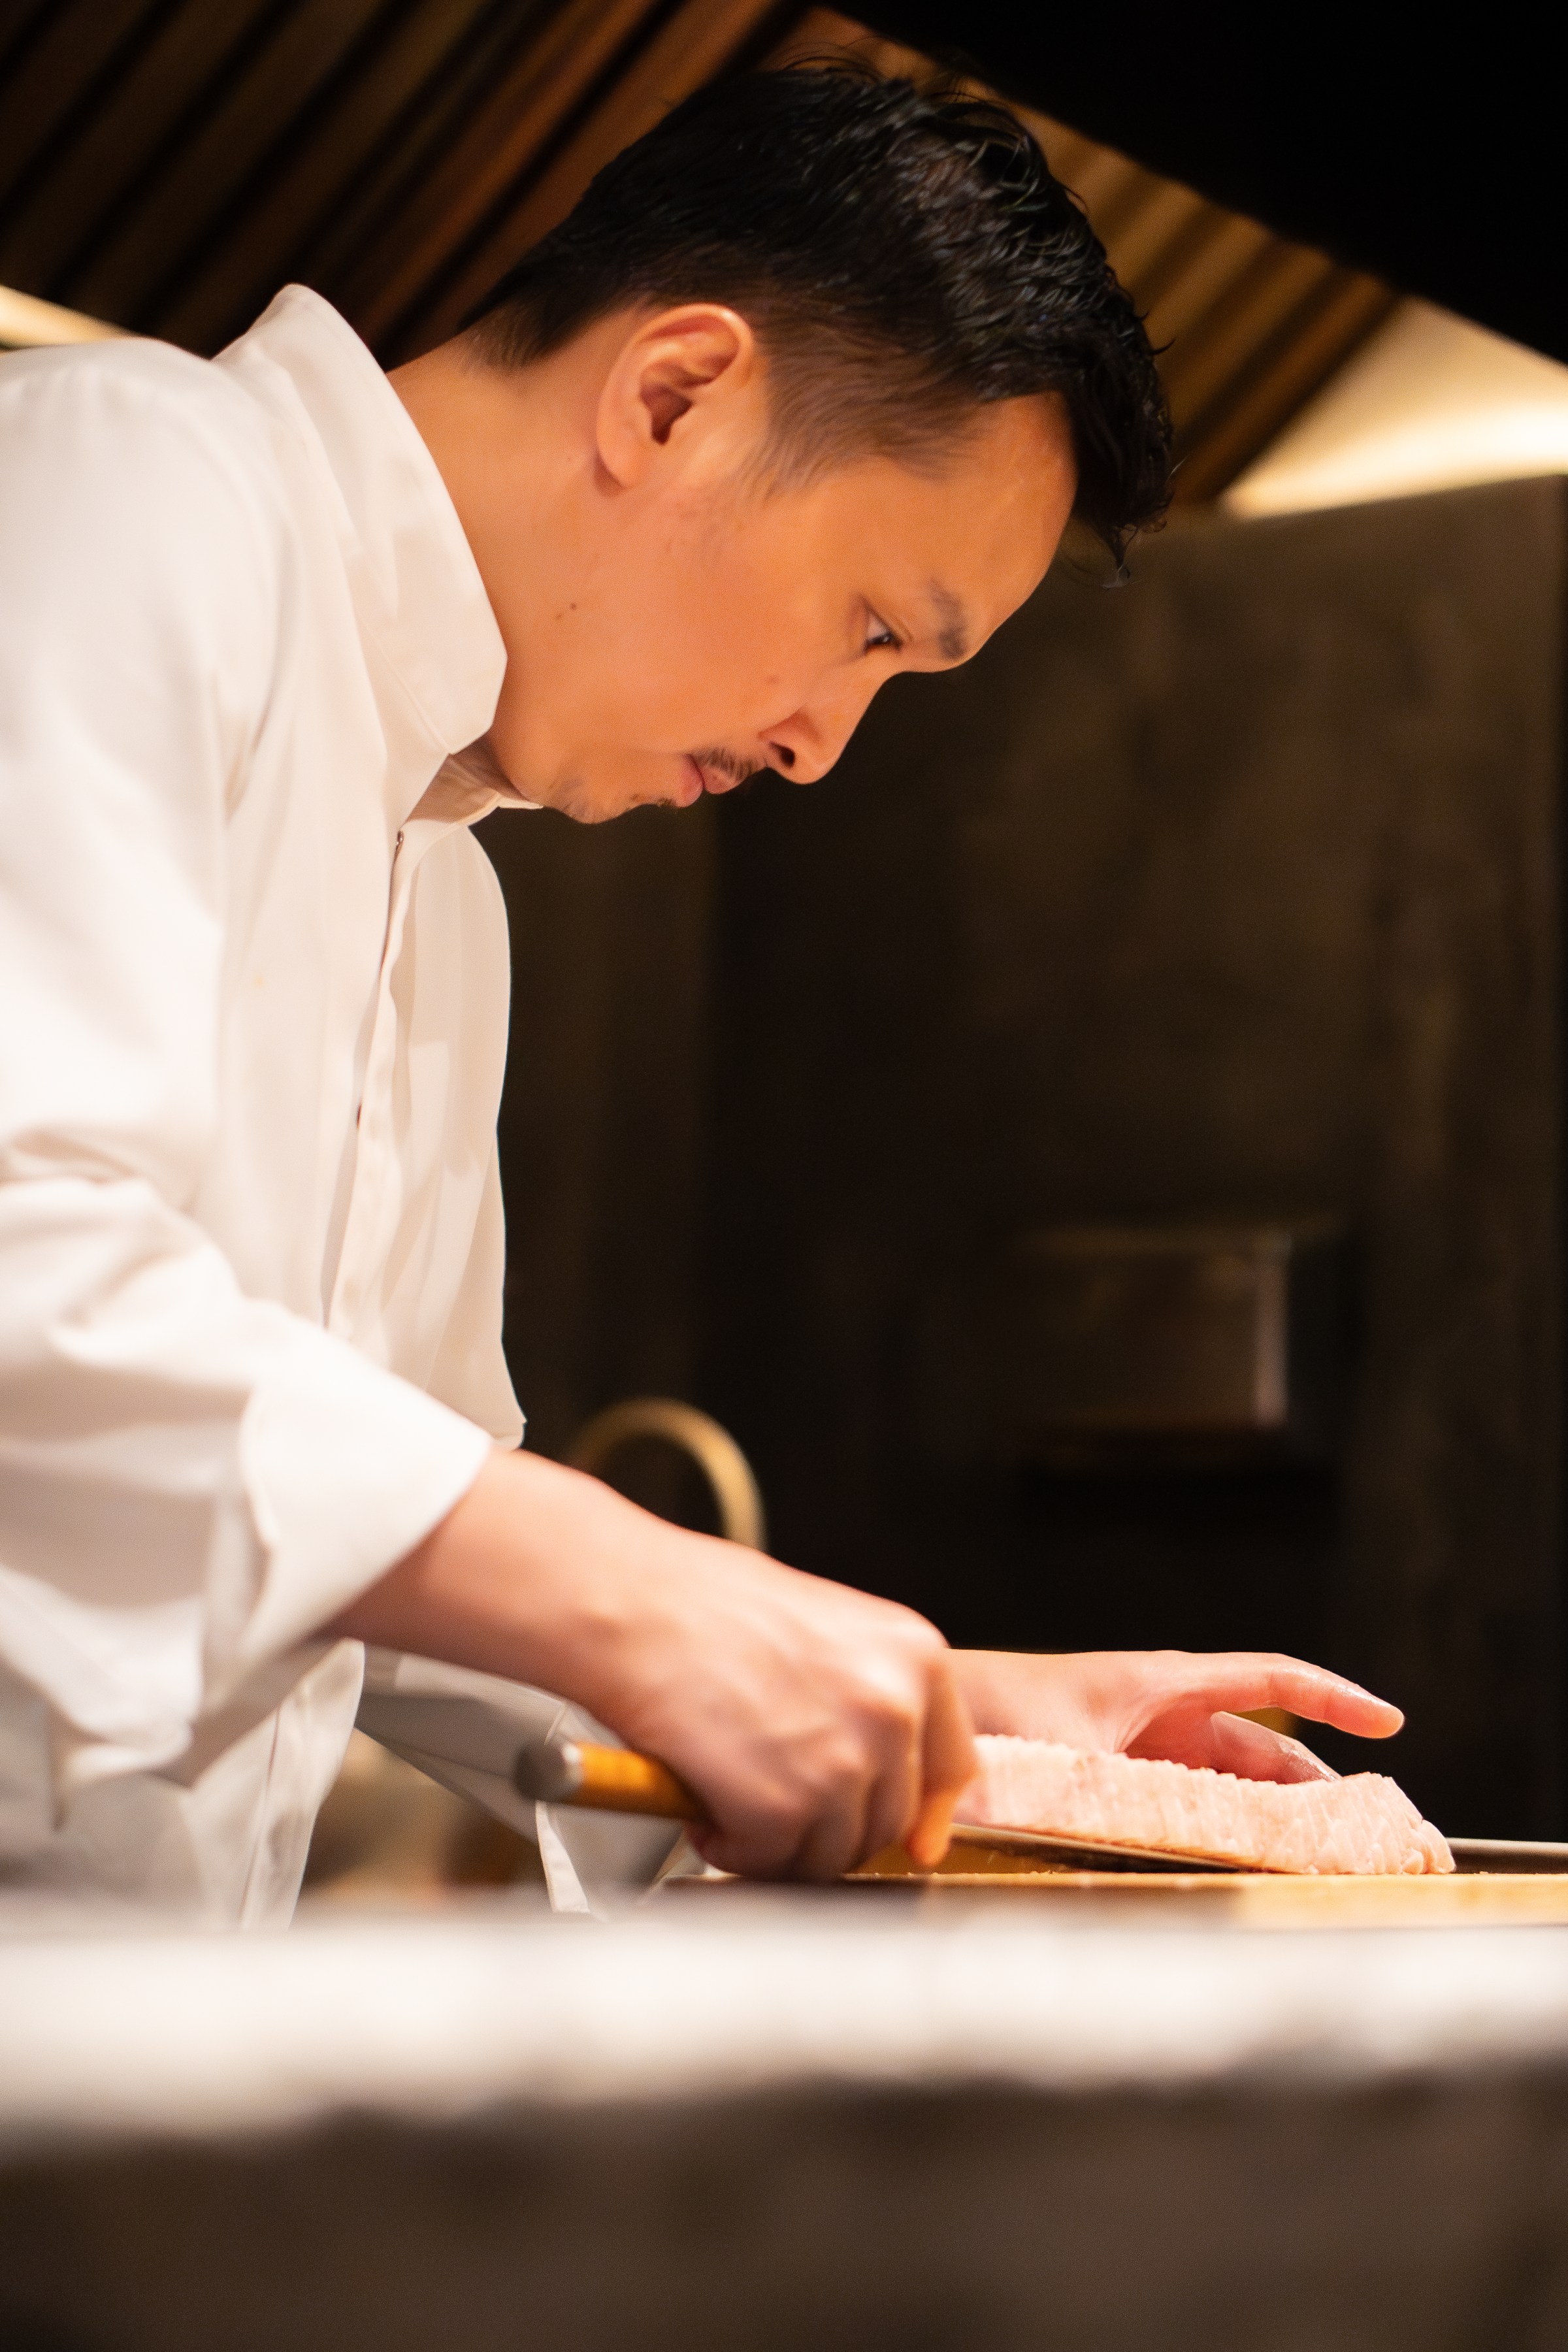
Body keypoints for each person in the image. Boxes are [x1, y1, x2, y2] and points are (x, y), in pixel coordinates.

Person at [0, 62, 1401, 1921]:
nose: (825, 746)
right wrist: (637, 1590)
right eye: (874, 630)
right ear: (674, 396)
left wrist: (956, 1722)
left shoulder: (445, 880)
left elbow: (389, 1554)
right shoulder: (129, 478)